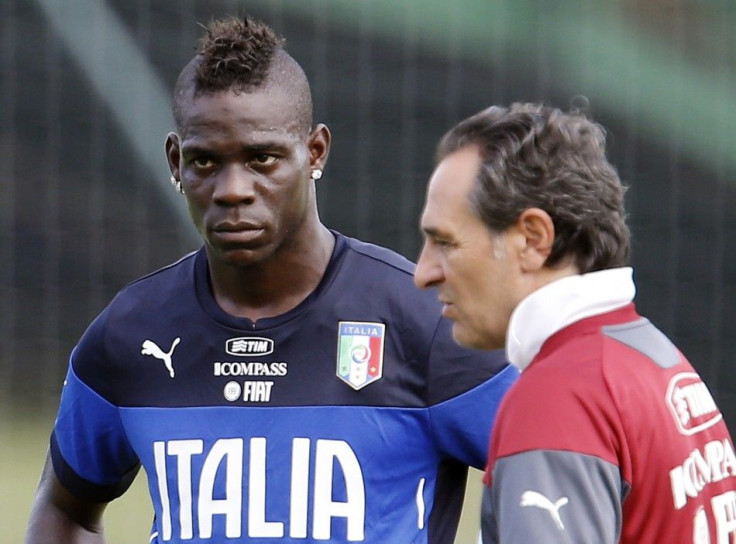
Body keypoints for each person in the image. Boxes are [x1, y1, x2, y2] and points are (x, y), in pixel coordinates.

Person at [24, 15, 517, 544]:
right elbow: (65, 508)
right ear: (176, 161)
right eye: (206, 162)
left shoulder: (425, 320)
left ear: (315, 152)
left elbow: (554, 484)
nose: (233, 189)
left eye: (262, 158)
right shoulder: (131, 332)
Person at [414, 102, 736, 543]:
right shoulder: (655, 361)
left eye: (444, 242)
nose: (423, 273)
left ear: (532, 238)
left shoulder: (559, 398)